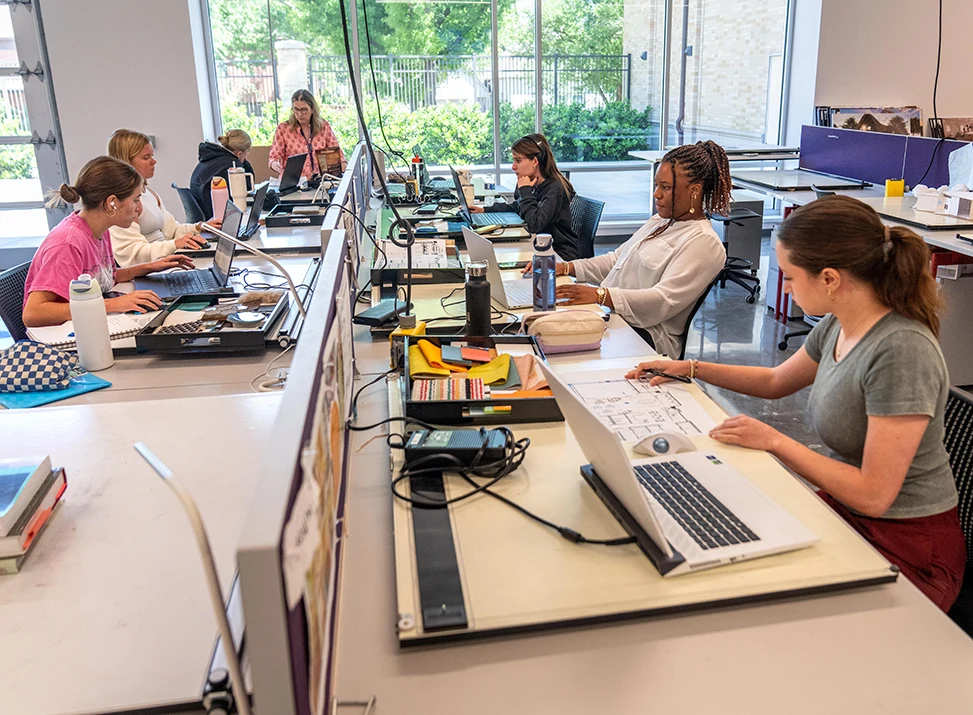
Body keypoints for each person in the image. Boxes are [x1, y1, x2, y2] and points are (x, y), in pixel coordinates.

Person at [629, 195, 966, 611]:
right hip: (849, 513)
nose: (784, 287)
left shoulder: (901, 351)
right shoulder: (840, 323)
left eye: (789, 277)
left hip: (907, 544)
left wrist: (775, 440)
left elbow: (874, 494)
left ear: (829, 279)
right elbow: (775, 381)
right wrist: (689, 368)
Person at [548, 141, 730, 358]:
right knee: (545, 326)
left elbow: (661, 301)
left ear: (694, 191)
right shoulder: (660, 221)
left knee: (555, 346)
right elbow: (615, 260)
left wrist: (600, 295)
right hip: (613, 319)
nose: (656, 194)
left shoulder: (703, 242)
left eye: (666, 187)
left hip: (645, 337)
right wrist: (567, 268)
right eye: (656, 185)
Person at [23, 156, 192, 328]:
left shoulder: (99, 230)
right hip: (63, 339)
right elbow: (33, 314)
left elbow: (101, 277)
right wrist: (114, 304)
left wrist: (149, 267)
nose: (139, 208)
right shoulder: (68, 243)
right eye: (135, 199)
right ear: (112, 203)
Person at [471, 133, 581, 261]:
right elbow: (517, 206)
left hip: (558, 254)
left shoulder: (555, 188)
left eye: (518, 160)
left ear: (535, 161)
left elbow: (535, 224)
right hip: (539, 247)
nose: (513, 166)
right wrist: (484, 210)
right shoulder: (534, 183)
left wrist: (525, 191)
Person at [107, 129, 208, 267]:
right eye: (146, 157)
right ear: (126, 162)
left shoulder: (148, 192)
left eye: (152, 155)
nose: (153, 161)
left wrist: (200, 227)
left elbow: (172, 231)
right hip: (149, 269)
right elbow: (132, 255)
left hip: (163, 262)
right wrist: (174, 245)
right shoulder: (124, 202)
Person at [268, 89, 344, 179]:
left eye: (304, 110)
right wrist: (275, 164)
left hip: (320, 181)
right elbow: (273, 157)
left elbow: (338, 155)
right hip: (293, 184)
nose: (299, 114)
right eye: (296, 109)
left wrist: (342, 166)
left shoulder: (323, 126)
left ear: (312, 109)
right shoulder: (283, 129)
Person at [190, 129, 254, 220]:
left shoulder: (210, 157)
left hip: (205, 213)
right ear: (239, 153)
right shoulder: (232, 165)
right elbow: (246, 188)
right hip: (217, 217)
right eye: (247, 153)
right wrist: (242, 162)